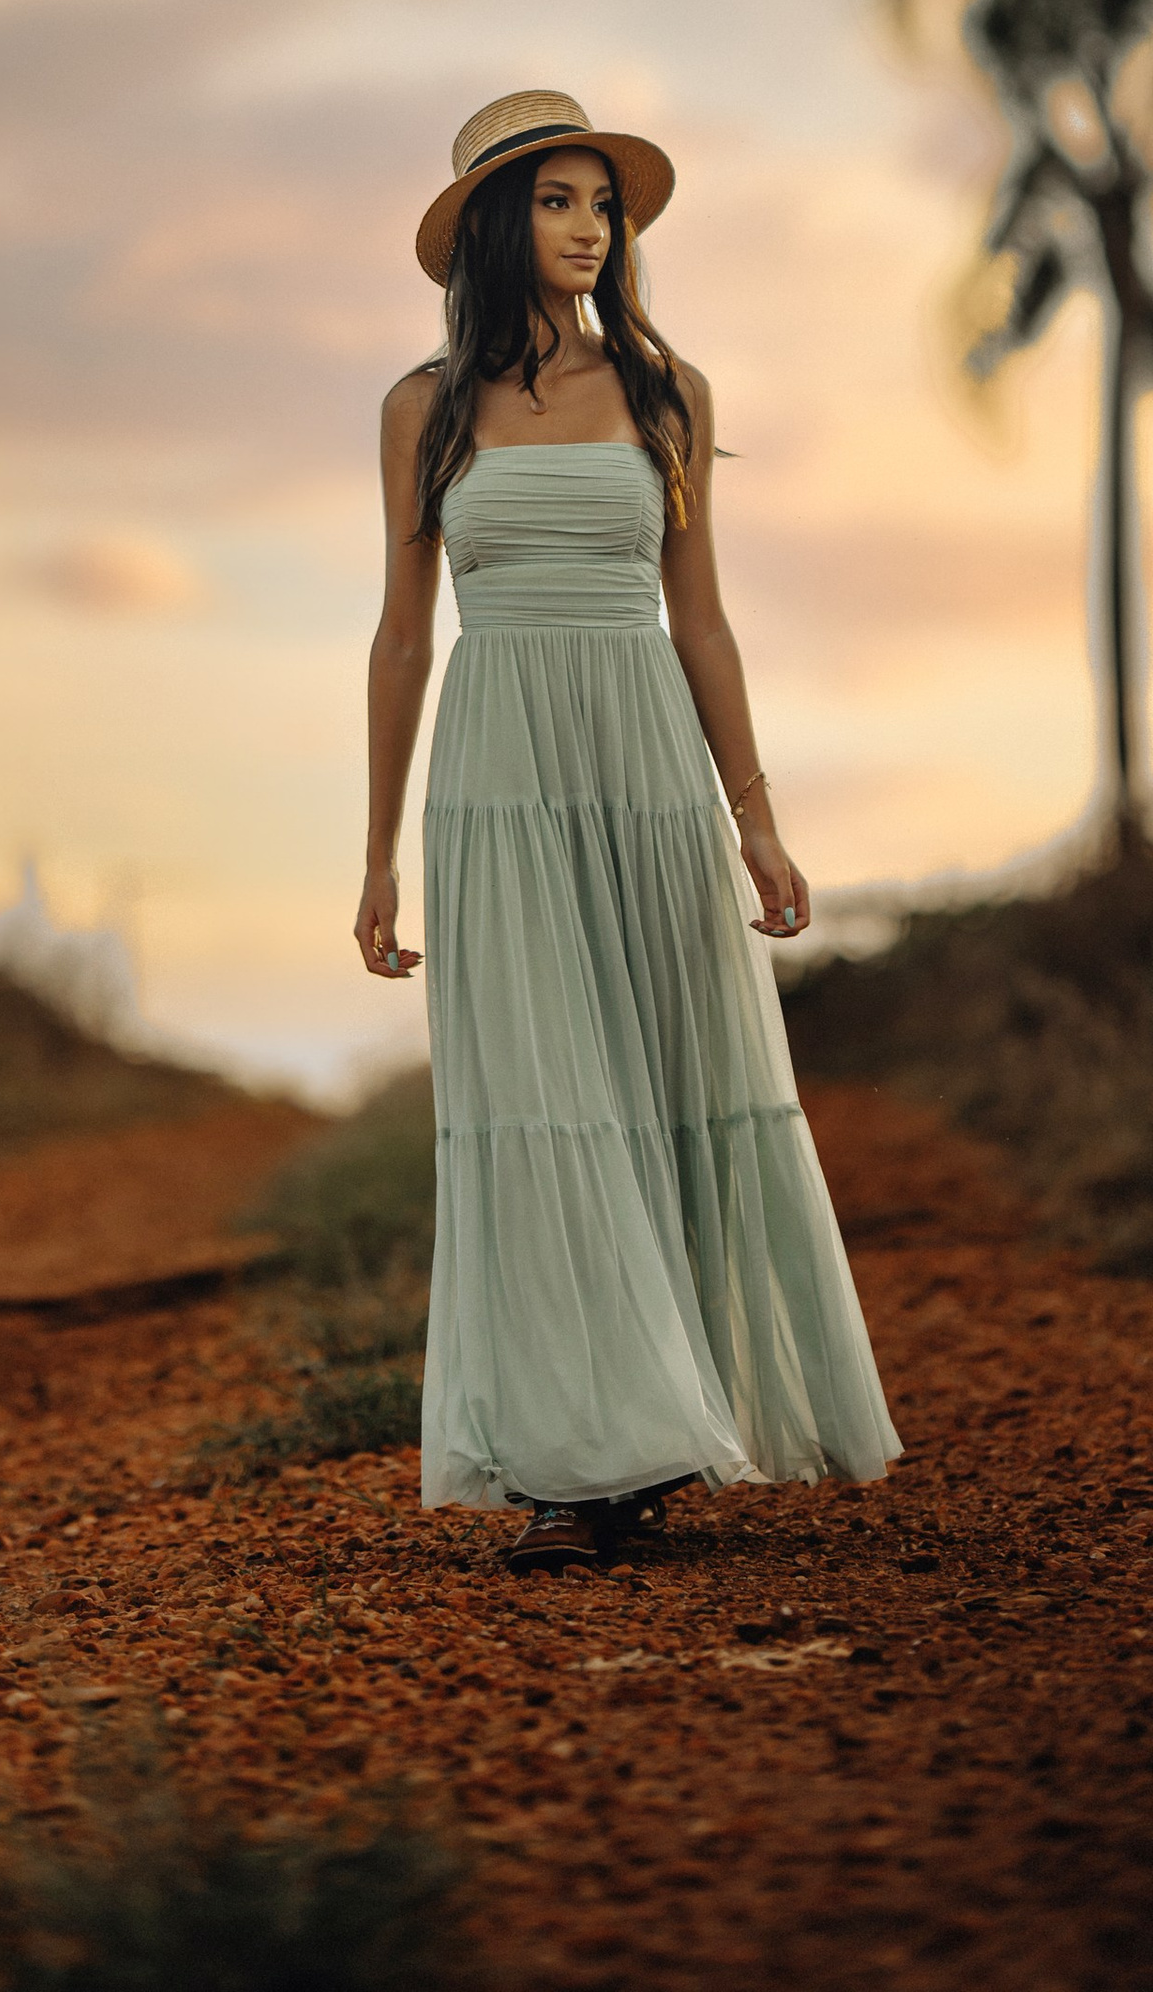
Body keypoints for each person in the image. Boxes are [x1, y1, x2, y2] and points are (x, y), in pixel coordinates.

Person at [355, 87, 901, 1571]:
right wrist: (378, 851)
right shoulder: (423, 409)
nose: (591, 227)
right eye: (556, 200)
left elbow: (703, 620)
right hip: (498, 770)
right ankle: (566, 1467)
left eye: (605, 204)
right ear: (492, 222)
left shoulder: (668, 396)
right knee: (538, 1103)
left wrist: (758, 820)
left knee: (659, 1081)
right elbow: (403, 640)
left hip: (646, 758)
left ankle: (659, 1423)